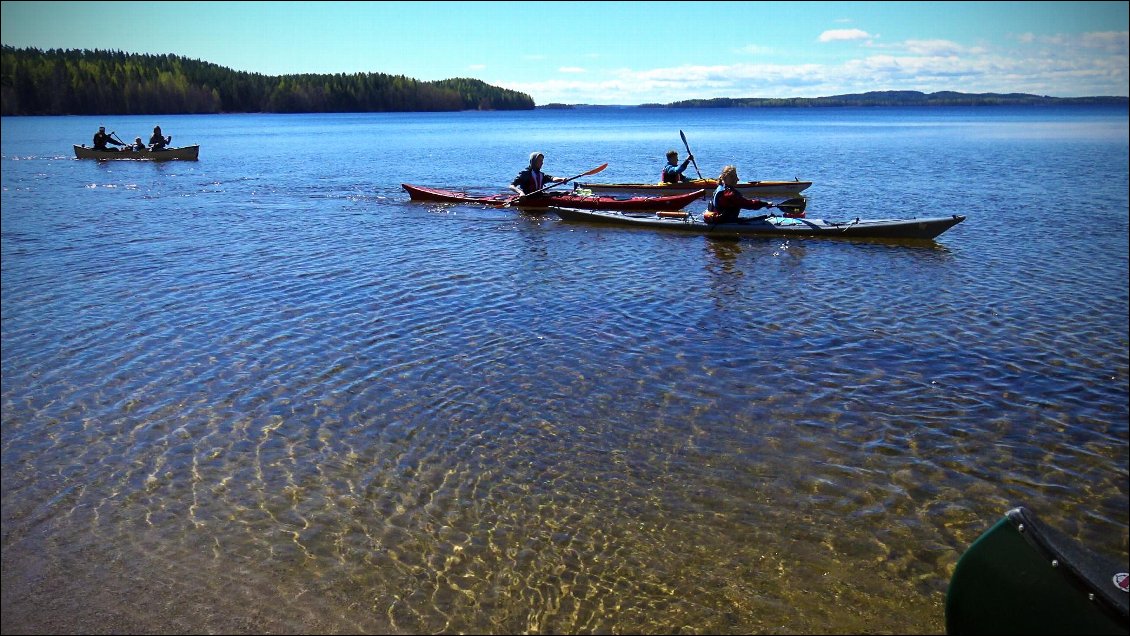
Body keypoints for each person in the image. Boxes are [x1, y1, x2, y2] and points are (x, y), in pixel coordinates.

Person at [702, 165, 773, 224]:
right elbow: (748, 204)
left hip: (722, 219)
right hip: (726, 222)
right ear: (730, 178)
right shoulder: (728, 194)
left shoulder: (720, 187)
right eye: (736, 177)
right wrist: (765, 204)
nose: (738, 179)